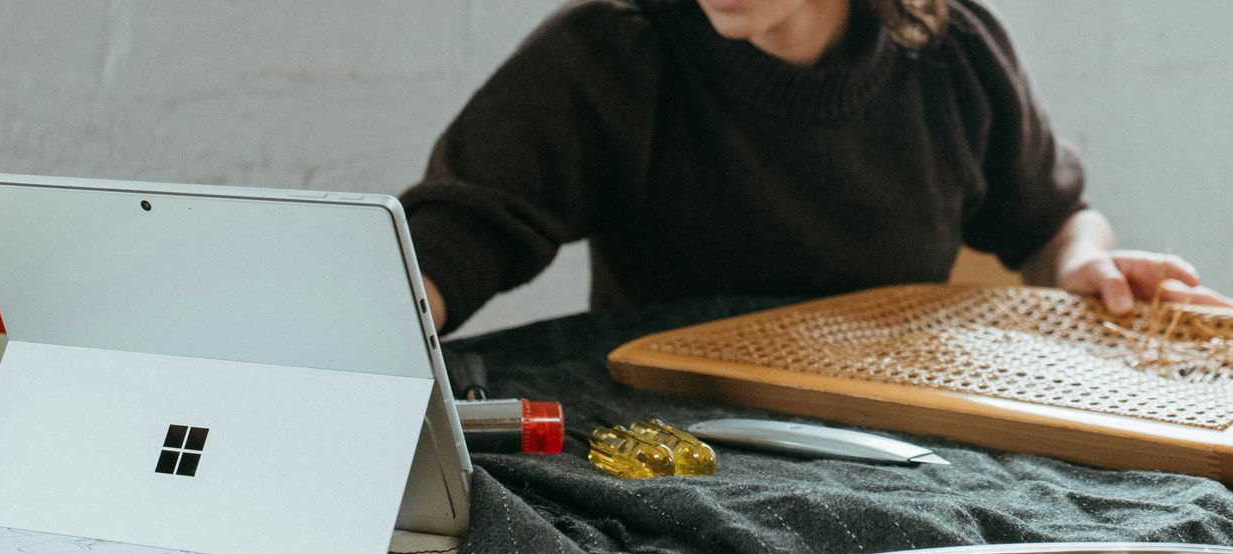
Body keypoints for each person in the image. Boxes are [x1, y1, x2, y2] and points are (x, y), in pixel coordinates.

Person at [402, 0, 1231, 333]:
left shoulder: (949, 52)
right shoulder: (615, 51)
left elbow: (1049, 221)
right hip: (683, 454)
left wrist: (1083, 262)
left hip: (897, 462)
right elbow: (452, 240)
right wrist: (395, 316)